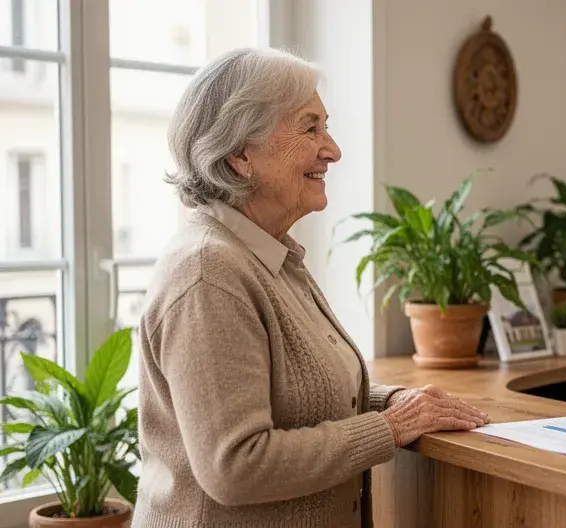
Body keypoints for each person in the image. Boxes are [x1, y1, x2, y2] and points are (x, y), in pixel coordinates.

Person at [133, 48, 488, 528]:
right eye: (310, 127)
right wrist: (390, 427)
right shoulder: (209, 274)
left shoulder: (268, 254)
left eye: (327, 125)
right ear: (240, 154)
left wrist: (394, 401)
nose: (333, 149)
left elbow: (293, 400)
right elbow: (236, 465)